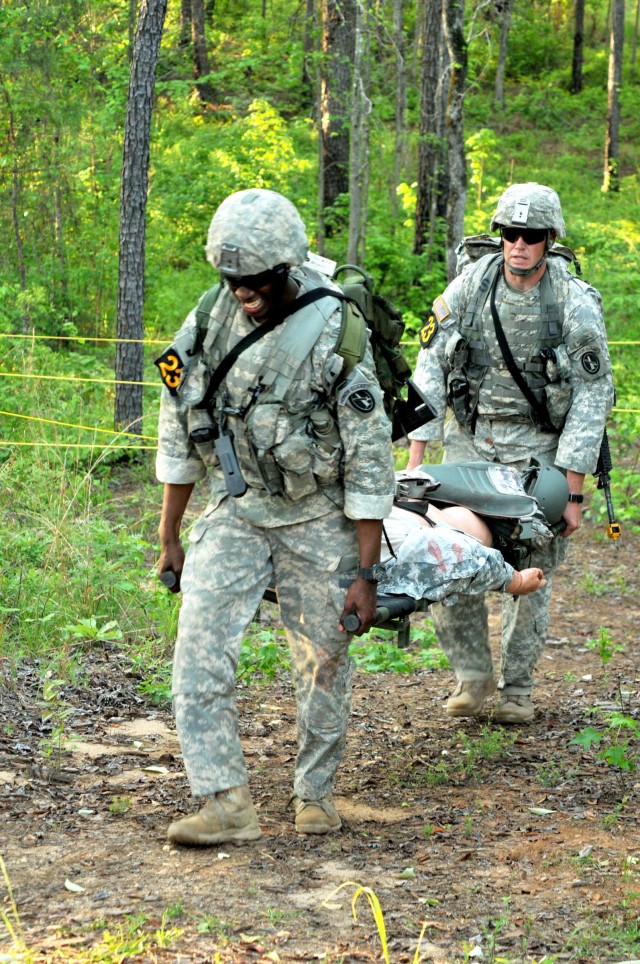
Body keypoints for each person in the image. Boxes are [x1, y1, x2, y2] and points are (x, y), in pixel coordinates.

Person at [155, 188, 396, 845]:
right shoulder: (207, 318)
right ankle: (225, 801)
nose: (243, 292)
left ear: (286, 269)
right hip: (238, 508)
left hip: (317, 513)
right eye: (232, 280)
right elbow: (181, 422)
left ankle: (314, 792)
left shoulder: (336, 335)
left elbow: (371, 462)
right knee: (197, 653)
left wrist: (366, 573)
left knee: (323, 658)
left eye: (256, 281)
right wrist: (169, 533)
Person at [407, 183, 614, 723]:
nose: (518, 244)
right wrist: (416, 458)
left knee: (533, 567)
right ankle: (473, 678)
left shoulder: (573, 301)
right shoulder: (470, 286)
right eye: (510, 233)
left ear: (549, 240)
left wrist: (572, 489)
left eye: (532, 236)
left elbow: (593, 395)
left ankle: (518, 689)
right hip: (471, 441)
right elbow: (429, 369)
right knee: (451, 554)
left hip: (540, 451)